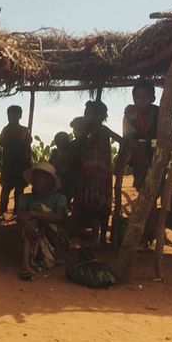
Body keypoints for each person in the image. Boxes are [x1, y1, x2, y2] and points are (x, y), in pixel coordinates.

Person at [73, 100, 118, 244]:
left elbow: (121, 140)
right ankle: (99, 236)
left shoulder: (100, 130)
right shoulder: (90, 131)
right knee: (96, 206)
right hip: (91, 174)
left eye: (88, 113)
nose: (85, 116)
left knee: (99, 205)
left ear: (98, 116)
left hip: (99, 175)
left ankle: (99, 237)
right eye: (85, 113)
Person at [16, 161, 69, 281]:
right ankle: (26, 264)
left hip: (52, 239)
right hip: (31, 234)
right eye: (36, 176)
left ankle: (25, 265)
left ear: (50, 181)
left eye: (42, 176)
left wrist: (35, 214)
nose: (37, 179)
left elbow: (59, 217)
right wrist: (27, 223)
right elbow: (20, 215)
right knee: (31, 221)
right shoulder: (24, 198)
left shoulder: (60, 198)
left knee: (38, 210)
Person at [123, 79, 159, 190]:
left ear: (153, 98)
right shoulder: (130, 113)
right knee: (141, 185)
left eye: (145, 97)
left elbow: (162, 139)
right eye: (137, 98)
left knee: (156, 185)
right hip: (138, 153)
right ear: (134, 99)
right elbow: (128, 136)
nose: (141, 101)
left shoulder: (159, 113)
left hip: (156, 150)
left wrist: (149, 143)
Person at [0, 105, 32, 220]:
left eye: (14, 115)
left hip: (21, 164)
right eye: (10, 115)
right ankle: (3, 211)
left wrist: (28, 161)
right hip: (9, 164)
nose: (12, 118)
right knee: (6, 189)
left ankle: (17, 212)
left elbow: (28, 147)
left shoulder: (24, 130)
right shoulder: (6, 130)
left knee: (19, 190)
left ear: (20, 116)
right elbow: (2, 143)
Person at [49, 131, 74, 200]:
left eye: (61, 141)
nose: (59, 144)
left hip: (66, 186)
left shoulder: (71, 155)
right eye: (57, 141)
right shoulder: (55, 154)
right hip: (54, 185)